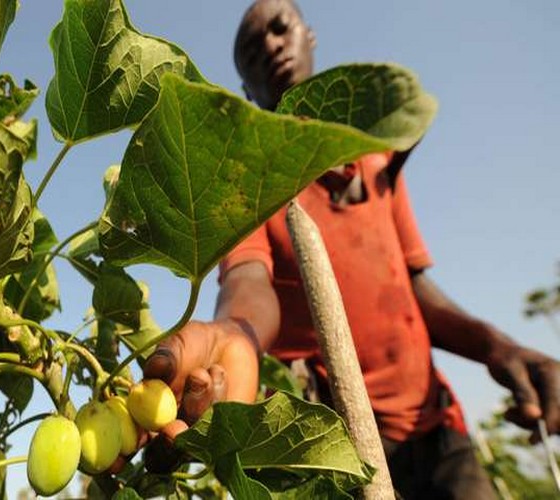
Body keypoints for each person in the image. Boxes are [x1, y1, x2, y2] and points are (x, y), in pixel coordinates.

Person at [140, 0, 560, 497]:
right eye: (252, 50)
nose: (272, 45)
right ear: (245, 91)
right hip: (342, 448)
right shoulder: (247, 186)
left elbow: (414, 289)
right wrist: (237, 333)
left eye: (281, 28)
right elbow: (248, 282)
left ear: (309, 36)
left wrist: (498, 346)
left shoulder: (372, 157)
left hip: (436, 420)